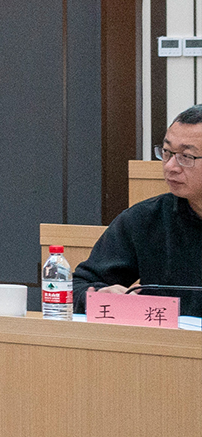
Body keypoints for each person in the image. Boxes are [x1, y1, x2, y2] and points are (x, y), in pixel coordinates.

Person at [74, 103, 202, 316]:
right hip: (164, 337)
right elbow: (78, 285)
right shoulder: (144, 219)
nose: (170, 166)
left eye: (186, 156)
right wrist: (99, 295)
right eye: (167, 152)